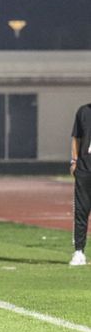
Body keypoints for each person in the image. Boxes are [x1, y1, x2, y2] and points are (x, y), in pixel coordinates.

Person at [70, 102, 91, 266]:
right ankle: (79, 251)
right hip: (85, 167)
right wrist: (74, 161)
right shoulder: (83, 111)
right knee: (81, 210)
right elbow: (76, 137)